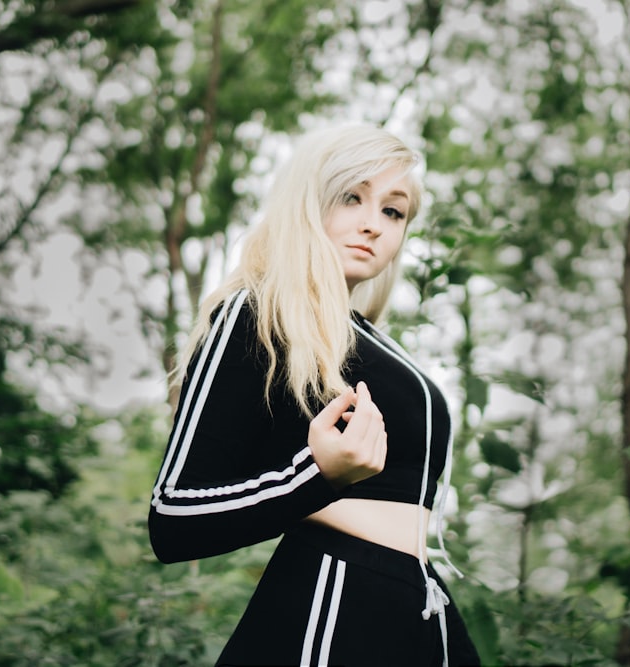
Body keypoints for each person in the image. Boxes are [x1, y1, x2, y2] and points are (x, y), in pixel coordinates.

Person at [148, 124, 480, 667]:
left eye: (393, 212)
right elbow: (173, 517)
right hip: (327, 614)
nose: (373, 225)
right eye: (352, 198)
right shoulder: (253, 314)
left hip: (416, 608)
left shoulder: (373, 342)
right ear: (309, 201)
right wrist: (316, 474)